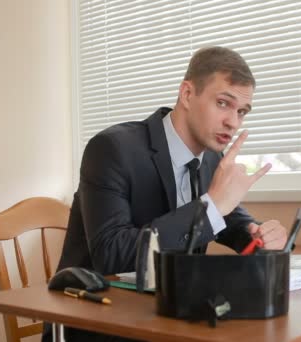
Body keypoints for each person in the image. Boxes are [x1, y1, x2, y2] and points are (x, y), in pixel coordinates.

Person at [44, 46, 288, 341]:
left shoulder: (212, 157)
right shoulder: (112, 149)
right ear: (187, 94)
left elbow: (229, 218)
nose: (233, 123)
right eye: (223, 103)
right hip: (98, 323)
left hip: (169, 319)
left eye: (241, 112)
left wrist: (257, 235)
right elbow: (112, 255)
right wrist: (212, 207)